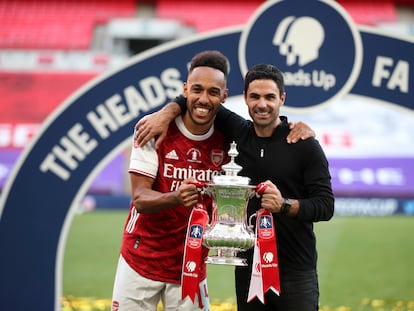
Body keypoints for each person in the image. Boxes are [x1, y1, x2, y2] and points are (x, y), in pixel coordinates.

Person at [135, 63, 334, 311]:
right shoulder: (237, 133)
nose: (262, 104)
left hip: (295, 272)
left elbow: (325, 206)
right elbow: (197, 97)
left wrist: (284, 205)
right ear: (246, 99)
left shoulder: (304, 144)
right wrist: (164, 114)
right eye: (255, 96)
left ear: (282, 98)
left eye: (270, 97)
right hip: (249, 270)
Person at [111, 50, 231, 311]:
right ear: (185, 90)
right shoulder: (153, 127)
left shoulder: (230, 139)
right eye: (197, 89)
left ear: (224, 96)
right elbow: (140, 198)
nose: (203, 99)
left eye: (213, 92)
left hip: (190, 262)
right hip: (140, 259)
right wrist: (175, 198)